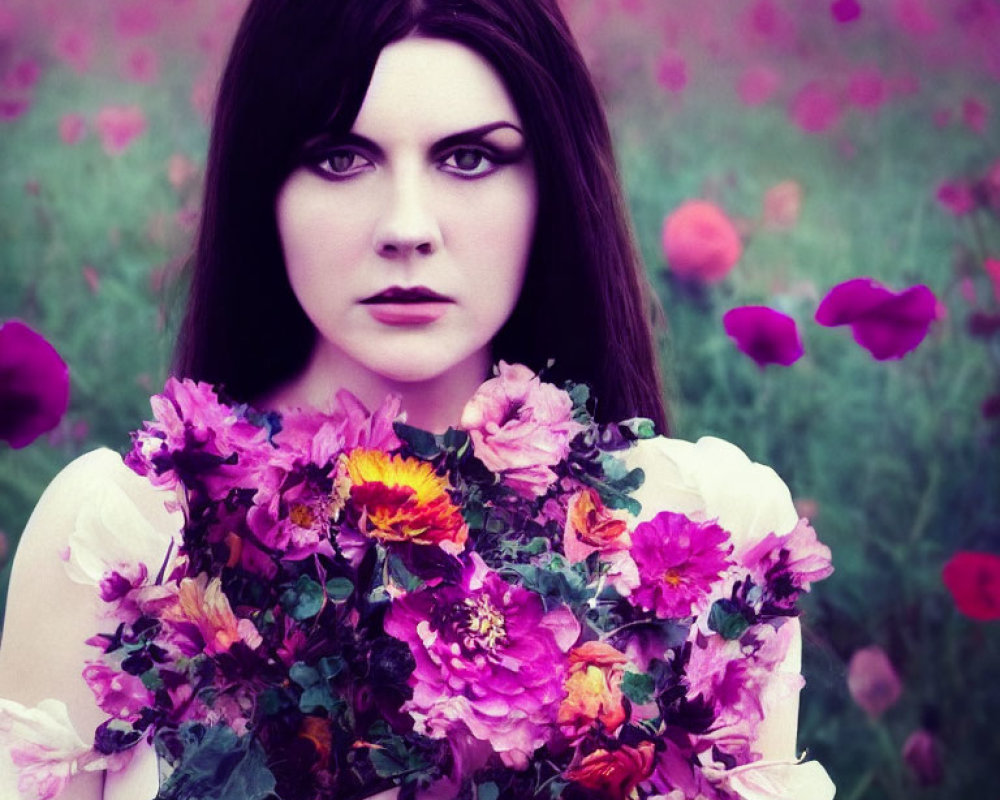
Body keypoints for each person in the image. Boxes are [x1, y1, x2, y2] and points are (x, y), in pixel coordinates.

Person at [0, 1, 832, 798]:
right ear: (265, 187)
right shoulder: (119, 542)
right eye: (339, 157)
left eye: (469, 158)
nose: (406, 226)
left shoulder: (708, 532)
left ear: (552, 184)